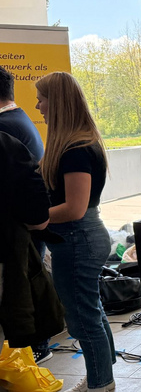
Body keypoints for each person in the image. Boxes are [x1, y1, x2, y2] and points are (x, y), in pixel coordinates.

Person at [35, 72, 116, 392]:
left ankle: (99, 391)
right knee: (90, 311)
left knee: (83, 317)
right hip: (79, 238)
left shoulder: (75, 150)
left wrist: (35, 219)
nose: (38, 105)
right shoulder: (77, 143)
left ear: (58, 102)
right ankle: (101, 378)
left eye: (42, 98)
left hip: (79, 238)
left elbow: (75, 208)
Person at [0, 65, 53, 365]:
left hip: (18, 235)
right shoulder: (17, 120)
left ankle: (34, 351)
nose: (38, 105)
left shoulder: (5, 128)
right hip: (25, 230)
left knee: (23, 297)